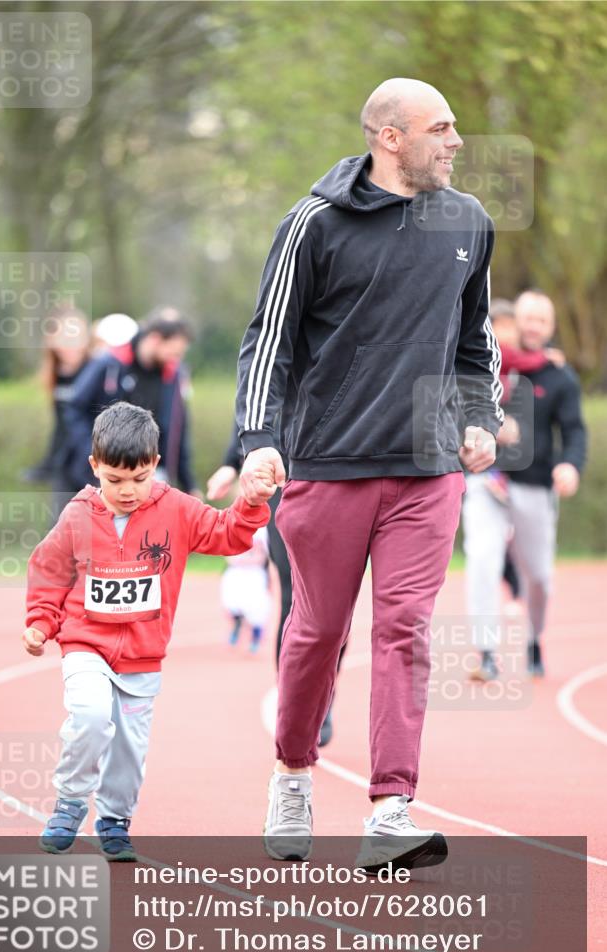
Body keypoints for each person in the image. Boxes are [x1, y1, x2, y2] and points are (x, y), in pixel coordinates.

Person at [235, 77, 503, 867]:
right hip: (328, 466)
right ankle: (291, 773)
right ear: (390, 137)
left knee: (405, 631)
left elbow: (475, 340)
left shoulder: (468, 221)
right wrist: (258, 438)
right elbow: (269, 340)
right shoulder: (313, 223)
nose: (455, 142)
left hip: (427, 471)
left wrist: (480, 417)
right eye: (440, 128)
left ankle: (390, 810)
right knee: (317, 633)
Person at [22, 402, 271, 860]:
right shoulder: (77, 515)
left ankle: (114, 820)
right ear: (94, 466)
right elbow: (49, 570)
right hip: (86, 644)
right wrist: (41, 621)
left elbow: (226, 532)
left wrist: (251, 502)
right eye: (114, 479)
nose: (127, 491)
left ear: (154, 464)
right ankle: (70, 803)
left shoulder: (175, 509)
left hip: (143, 657)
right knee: (90, 715)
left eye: (138, 479)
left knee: (129, 749)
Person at [462, 289, 587, 679]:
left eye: (542, 320)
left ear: (551, 326)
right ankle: (486, 653)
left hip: (535, 486)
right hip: (487, 482)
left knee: (539, 576)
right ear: (514, 321)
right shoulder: (487, 362)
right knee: (482, 559)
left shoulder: (559, 375)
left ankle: (534, 640)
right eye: (527, 318)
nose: (533, 326)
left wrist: (570, 466)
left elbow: (574, 430)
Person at [208, 421, 346, 747]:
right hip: (284, 475)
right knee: (294, 592)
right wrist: (232, 461)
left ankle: (323, 695)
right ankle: (293, 696)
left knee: (337, 599)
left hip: (340, 474)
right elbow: (256, 405)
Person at [66, 308, 199, 496]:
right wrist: (94, 453)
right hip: (99, 478)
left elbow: (178, 430)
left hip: (149, 478)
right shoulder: (109, 364)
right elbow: (75, 409)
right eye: (174, 352)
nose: (176, 359)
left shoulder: (173, 376)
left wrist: (189, 484)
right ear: (155, 338)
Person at [23, 306, 93, 507]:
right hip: (65, 470)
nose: (71, 344)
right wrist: (49, 463)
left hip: (93, 469)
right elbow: (61, 427)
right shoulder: (56, 374)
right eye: (64, 337)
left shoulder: (97, 371)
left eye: (76, 337)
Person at [221, 526, 271, 653]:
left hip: (254, 573)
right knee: (232, 603)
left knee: (256, 607)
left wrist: (246, 561)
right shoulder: (233, 524)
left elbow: (262, 556)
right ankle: (237, 624)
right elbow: (227, 552)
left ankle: (256, 635)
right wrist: (236, 561)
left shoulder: (262, 530)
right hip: (236, 571)